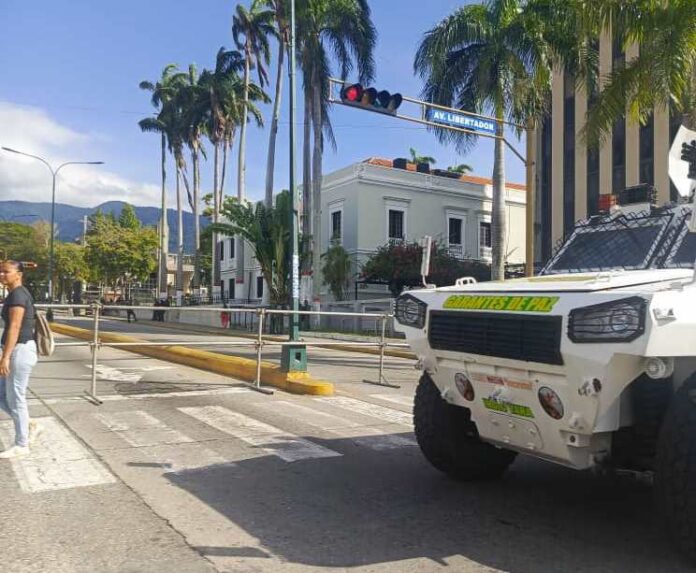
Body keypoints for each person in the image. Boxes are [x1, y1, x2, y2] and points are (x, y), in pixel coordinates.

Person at [0, 260, 40, 458]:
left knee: (16, 398)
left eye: (6, 272)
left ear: (19, 274)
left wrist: (5, 357)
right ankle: (29, 424)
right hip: (16, 350)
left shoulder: (18, 295)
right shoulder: (14, 294)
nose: (2, 275)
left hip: (20, 350)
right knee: (1, 395)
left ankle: (22, 444)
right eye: (1, 272)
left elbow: (14, 327)